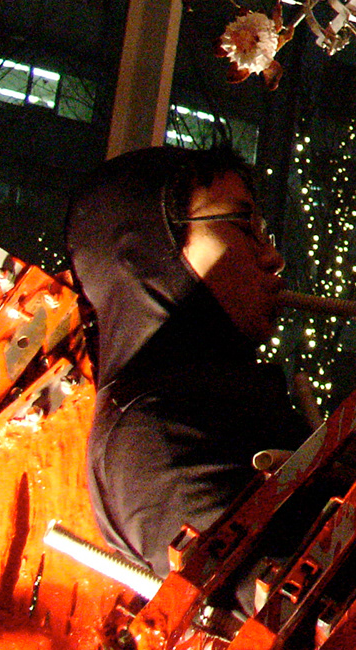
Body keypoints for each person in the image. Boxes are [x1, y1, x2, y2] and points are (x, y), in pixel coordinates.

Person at [64, 145, 308, 597]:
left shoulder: (199, 398)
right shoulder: (152, 437)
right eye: (243, 226)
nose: (272, 257)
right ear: (149, 252)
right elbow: (302, 604)